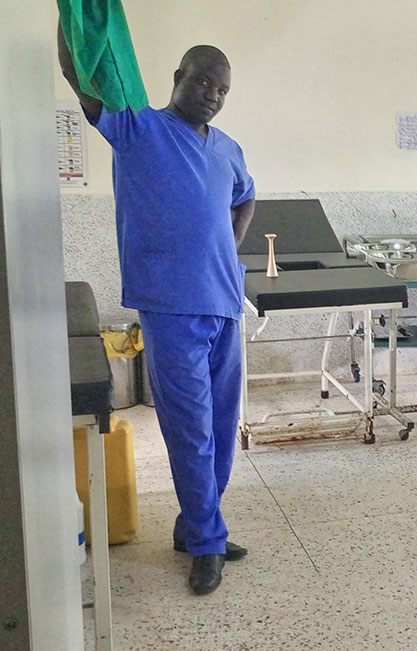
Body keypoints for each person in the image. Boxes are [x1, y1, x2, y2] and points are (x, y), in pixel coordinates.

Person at [58, 27, 256, 596]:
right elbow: (81, 78)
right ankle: (207, 542)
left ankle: (196, 524)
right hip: (170, 309)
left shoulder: (227, 149)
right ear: (178, 79)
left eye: (221, 89)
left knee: (219, 428)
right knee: (190, 430)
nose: (212, 95)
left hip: (224, 302)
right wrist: (72, 20)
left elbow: (246, 195)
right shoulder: (139, 128)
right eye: (202, 82)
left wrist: (226, 245)